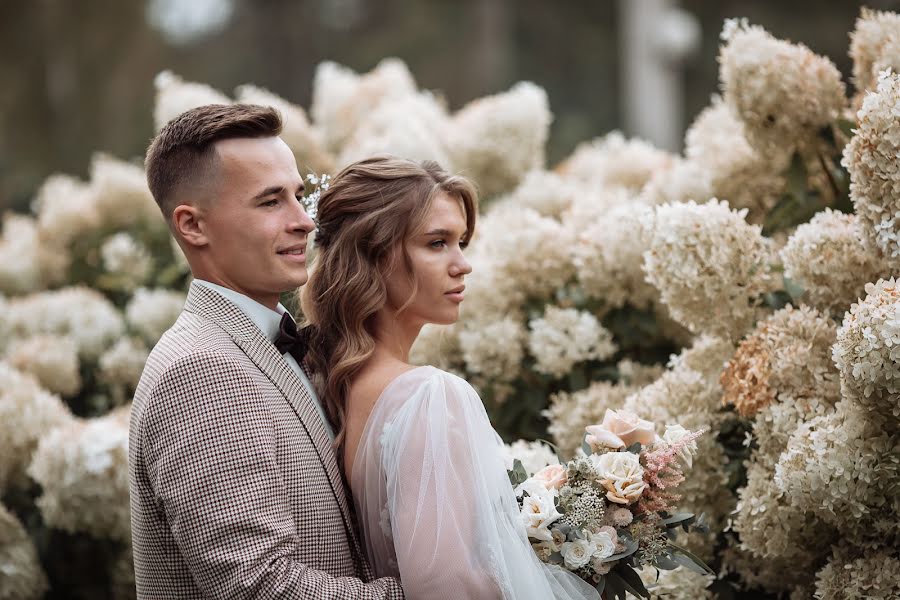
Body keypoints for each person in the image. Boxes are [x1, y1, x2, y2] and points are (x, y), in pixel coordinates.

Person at [129, 104, 404, 599]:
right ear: (193, 226)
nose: (304, 221)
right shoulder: (201, 371)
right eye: (270, 202)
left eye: (299, 196)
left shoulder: (274, 342)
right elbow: (261, 587)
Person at [300, 156, 600, 599]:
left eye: (461, 242)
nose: (463, 264)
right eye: (437, 243)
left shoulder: (333, 383)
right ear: (374, 255)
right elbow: (447, 586)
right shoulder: (430, 395)